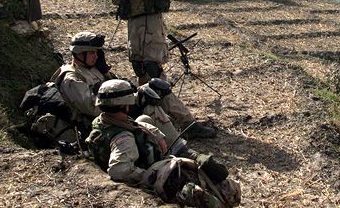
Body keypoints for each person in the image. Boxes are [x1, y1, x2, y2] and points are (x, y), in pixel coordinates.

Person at [112, 0, 215, 138]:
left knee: (155, 76)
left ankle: (186, 123)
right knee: (141, 73)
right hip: (133, 27)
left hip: (151, 25)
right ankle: (155, 119)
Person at [87, 79, 240, 208]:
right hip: (151, 169)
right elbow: (119, 170)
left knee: (143, 120)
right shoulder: (124, 139)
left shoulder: (103, 121)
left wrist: (157, 135)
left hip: (144, 155)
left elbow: (135, 123)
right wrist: (154, 173)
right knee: (218, 191)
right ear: (124, 105)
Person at [48, 31, 190, 154]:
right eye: (91, 53)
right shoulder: (71, 78)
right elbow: (93, 108)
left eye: (97, 52)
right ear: (79, 54)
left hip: (115, 111)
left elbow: (117, 87)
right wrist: (131, 99)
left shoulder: (93, 68)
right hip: (98, 122)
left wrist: (107, 73)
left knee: (153, 92)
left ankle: (177, 143)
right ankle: (175, 147)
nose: (96, 56)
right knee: (147, 105)